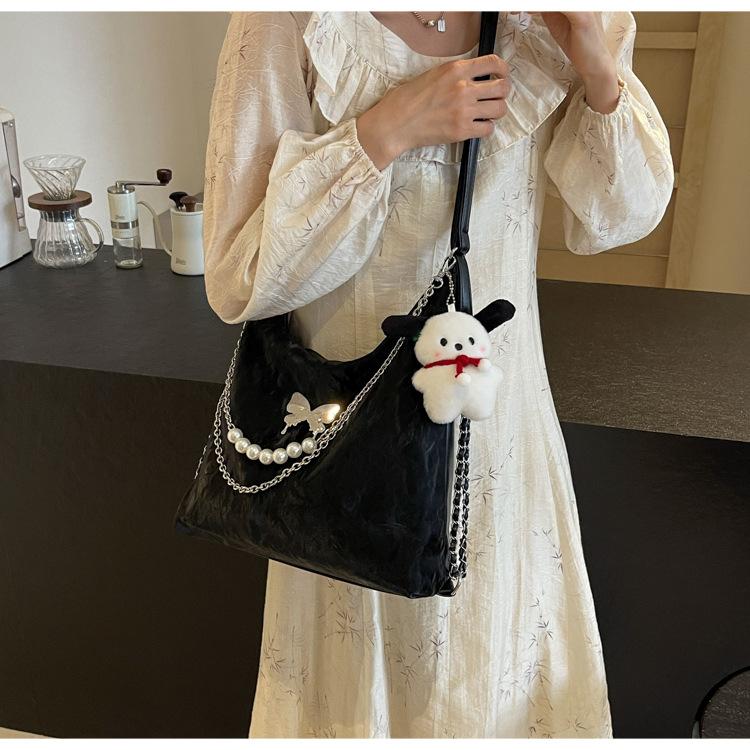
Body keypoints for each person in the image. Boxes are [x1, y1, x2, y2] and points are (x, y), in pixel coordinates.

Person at [202, 10, 674, 739]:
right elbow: (239, 273)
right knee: (357, 695)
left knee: (494, 675)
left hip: (498, 454)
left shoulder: (547, 20)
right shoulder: (291, 19)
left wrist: (593, 56)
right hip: (348, 456)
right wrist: (382, 132)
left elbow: (621, 215)